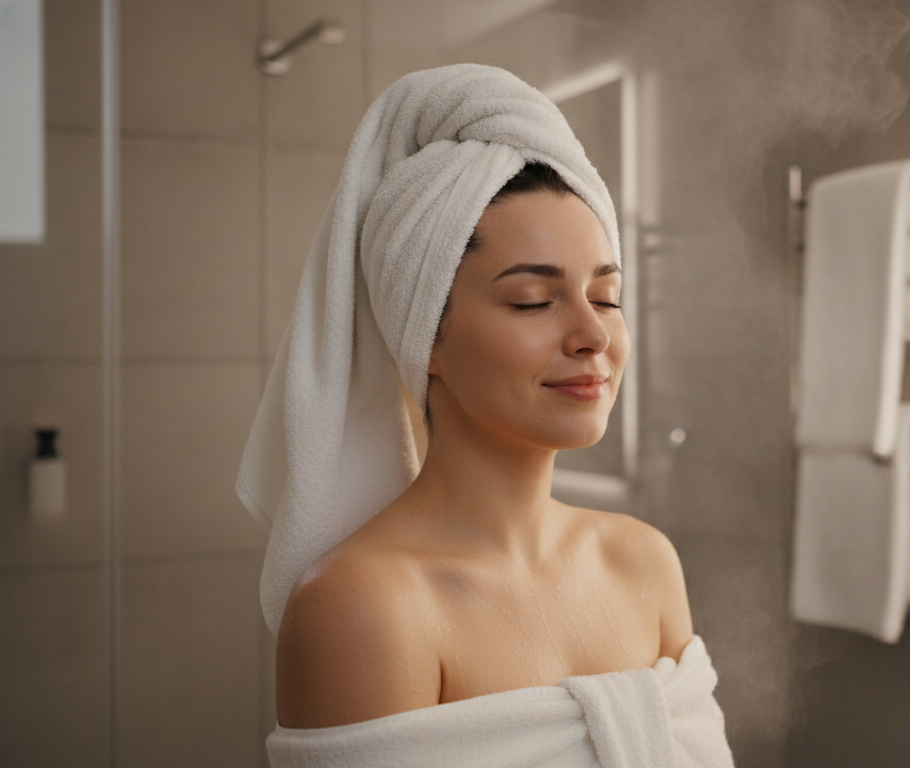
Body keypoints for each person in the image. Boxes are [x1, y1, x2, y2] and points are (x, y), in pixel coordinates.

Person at [238, 65, 733, 767]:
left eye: (608, 296)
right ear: (427, 336)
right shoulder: (363, 608)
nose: (592, 334)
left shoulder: (644, 563)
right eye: (534, 299)